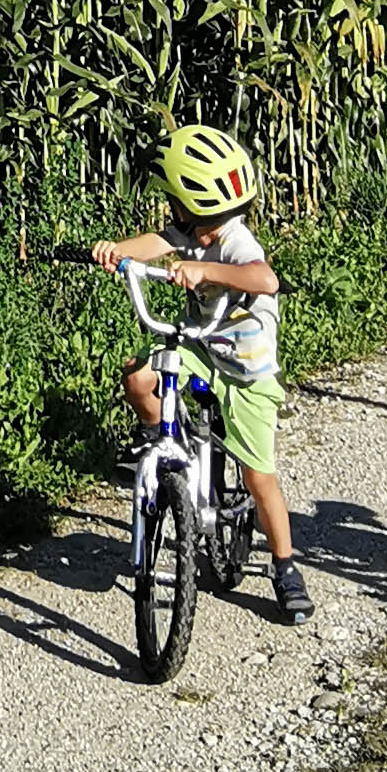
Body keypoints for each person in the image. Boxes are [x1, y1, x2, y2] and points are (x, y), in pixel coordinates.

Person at [88, 122, 315, 623]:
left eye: (177, 202)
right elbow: (155, 242)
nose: (174, 212)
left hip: (248, 372)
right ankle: (159, 437)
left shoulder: (232, 241)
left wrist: (207, 271)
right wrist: (116, 250)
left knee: (259, 477)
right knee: (139, 375)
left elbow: (265, 278)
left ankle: (284, 565)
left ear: (196, 203)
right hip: (202, 349)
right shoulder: (191, 232)